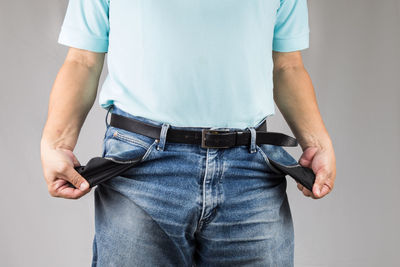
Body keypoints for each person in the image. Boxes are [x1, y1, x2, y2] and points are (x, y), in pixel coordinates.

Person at [40, 0, 336, 266]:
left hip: (250, 173)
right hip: (141, 168)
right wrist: (56, 142)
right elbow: (82, 60)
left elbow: (287, 66)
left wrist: (318, 144)